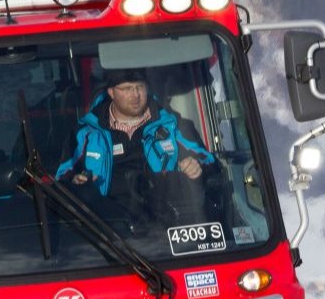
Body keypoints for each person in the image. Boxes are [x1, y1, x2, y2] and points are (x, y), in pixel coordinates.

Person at [55, 68, 215, 217]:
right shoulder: (85, 132)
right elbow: (62, 177)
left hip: (167, 218)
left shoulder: (173, 124)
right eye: (126, 89)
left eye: (140, 87)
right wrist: (75, 182)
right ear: (111, 92)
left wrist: (196, 165)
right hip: (108, 227)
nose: (135, 95)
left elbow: (208, 159)